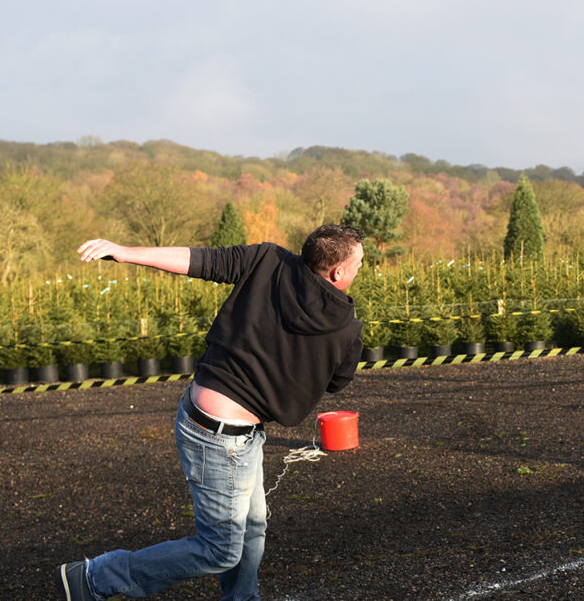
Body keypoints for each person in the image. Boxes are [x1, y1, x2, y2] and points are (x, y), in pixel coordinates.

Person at [56, 224, 365, 601]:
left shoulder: (266, 259)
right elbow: (337, 382)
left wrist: (124, 250)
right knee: (221, 548)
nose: (361, 268)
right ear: (338, 273)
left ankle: (242, 598)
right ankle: (93, 578)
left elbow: (197, 260)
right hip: (218, 437)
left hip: (223, 425)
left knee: (252, 527)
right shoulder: (347, 330)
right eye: (359, 263)